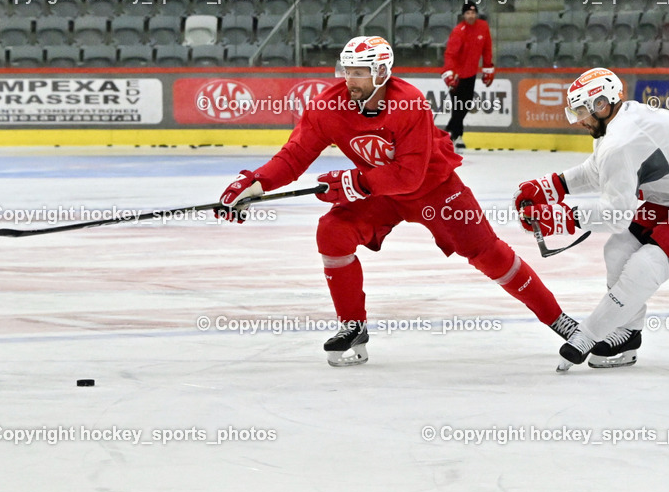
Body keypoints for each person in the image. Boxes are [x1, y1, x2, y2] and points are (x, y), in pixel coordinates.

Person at [219, 36, 577, 367]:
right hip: (380, 194)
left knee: (488, 253)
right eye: (347, 71)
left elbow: (410, 174)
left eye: (359, 73)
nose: (350, 80)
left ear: (381, 72)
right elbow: (295, 155)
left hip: (433, 189)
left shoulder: (409, 103)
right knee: (332, 231)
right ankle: (352, 325)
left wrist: (353, 181)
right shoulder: (328, 106)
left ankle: (557, 318)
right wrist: (257, 182)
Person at [514, 68, 669, 372]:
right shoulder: (617, 124)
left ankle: (589, 335)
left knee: (645, 265)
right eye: (574, 112)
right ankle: (627, 334)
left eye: (581, 111)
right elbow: (602, 168)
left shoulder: (621, 140)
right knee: (617, 251)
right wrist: (552, 187)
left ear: (603, 104)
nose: (579, 120)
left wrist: (560, 219)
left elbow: (615, 214)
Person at [441, 2, 494, 151]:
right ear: (463, 15)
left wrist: (488, 68)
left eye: (473, 13)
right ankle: (456, 137)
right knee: (458, 107)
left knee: (466, 105)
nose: (471, 15)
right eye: (467, 13)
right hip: (457, 76)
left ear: (476, 14)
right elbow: (450, 54)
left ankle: (449, 133)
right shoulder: (459, 31)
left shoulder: (483, 27)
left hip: (471, 74)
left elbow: (487, 48)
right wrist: (449, 75)